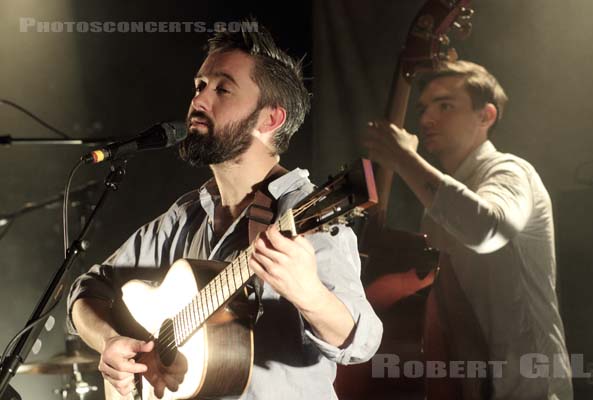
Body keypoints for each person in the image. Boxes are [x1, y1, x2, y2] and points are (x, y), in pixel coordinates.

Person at [67, 23, 383, 399]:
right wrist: (111, 341)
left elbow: (362, 342)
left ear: (270, 119)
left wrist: (310, 294)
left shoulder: (303, 216)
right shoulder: (185, 217)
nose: (199, 101)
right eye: (200, 86)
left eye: (222, 88)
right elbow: (86, 289)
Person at [364, 60, 572, 399]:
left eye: (445, 106)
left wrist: (403, 160)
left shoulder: (510, 171)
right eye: (424, 108)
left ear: (486, 116)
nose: (427, 119)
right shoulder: (438, 207)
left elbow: (488, 229)